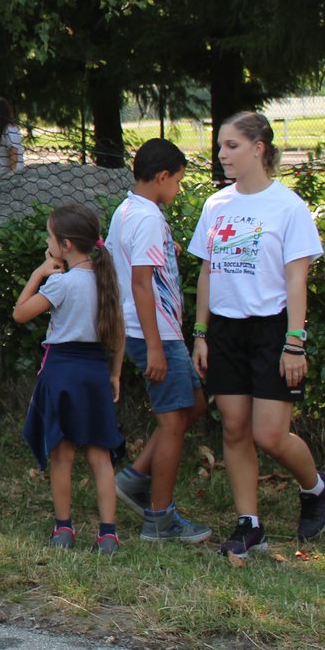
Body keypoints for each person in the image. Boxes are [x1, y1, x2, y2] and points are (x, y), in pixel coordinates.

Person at [189, 111, 325, 562]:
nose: (222, 155)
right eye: (219, 147)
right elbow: (208, 272)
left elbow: (296, 280)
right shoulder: (216, 206)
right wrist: (201, 333)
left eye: (230, 146)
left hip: (273, 330)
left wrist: (294, 341)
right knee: (234, 428)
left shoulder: (288, 208)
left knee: (269, 435)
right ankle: (249, 524)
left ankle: (316, 487)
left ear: (258, 148)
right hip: (226, 330)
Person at [107, 139, 212, 542]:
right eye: (179, 182)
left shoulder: (130, 210)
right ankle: (160, 519)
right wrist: (154, 345)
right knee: (172, 423)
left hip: (151, 330)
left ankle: (134, 480)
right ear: (163, 176)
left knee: (193, 405)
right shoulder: (148, 217)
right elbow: (140, 284)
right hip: (156, 333)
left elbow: (137, 260)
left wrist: (170, 249)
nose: (179, 190)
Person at [13, 203, 126, 554]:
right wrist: (115, 373)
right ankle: (108, 534)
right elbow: (119, 333)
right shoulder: (107, 281)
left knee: (62, 456)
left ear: (63, 245)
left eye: (49, 236)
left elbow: (20, 314)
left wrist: (39, 273)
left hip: (62, 372)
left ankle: (64, 529)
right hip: (94, 372)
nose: (47, 241)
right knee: (100, 456)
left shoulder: (61, 284)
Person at [0, 96, 24, 174]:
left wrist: (9, 180)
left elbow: (14, 156)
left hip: (10, 179)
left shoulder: (10, 130)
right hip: (0, 177)